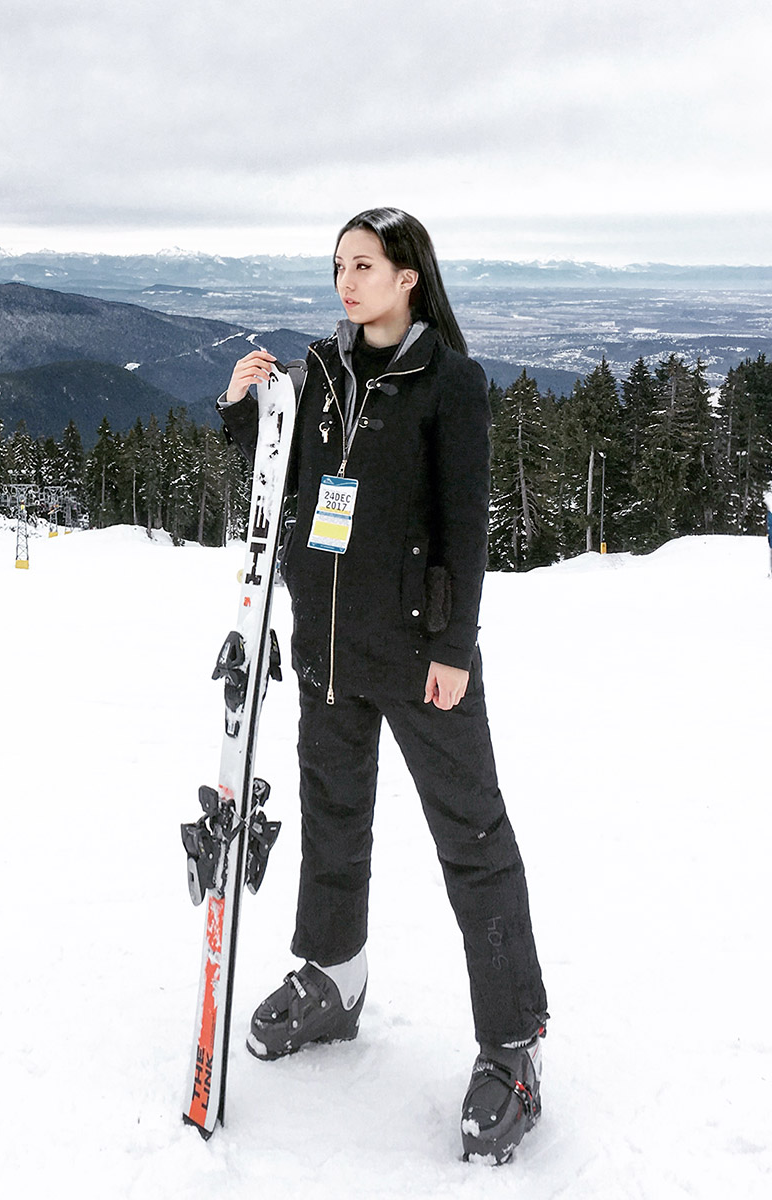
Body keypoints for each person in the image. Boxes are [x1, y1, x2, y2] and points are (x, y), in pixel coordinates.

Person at [219, 208, 548, 1164]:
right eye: (336, 268)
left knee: (472, 838)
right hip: (325, 646)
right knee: (333, 819)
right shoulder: (320, 376)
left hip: (417, 651)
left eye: (363, 265)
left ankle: (513, 1046)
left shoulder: (450, 383)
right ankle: (335, 978)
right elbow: (283, 486)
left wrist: (454, 647)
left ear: (409, 276)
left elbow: (464, 528)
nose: (346, 283)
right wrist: (250, 414)